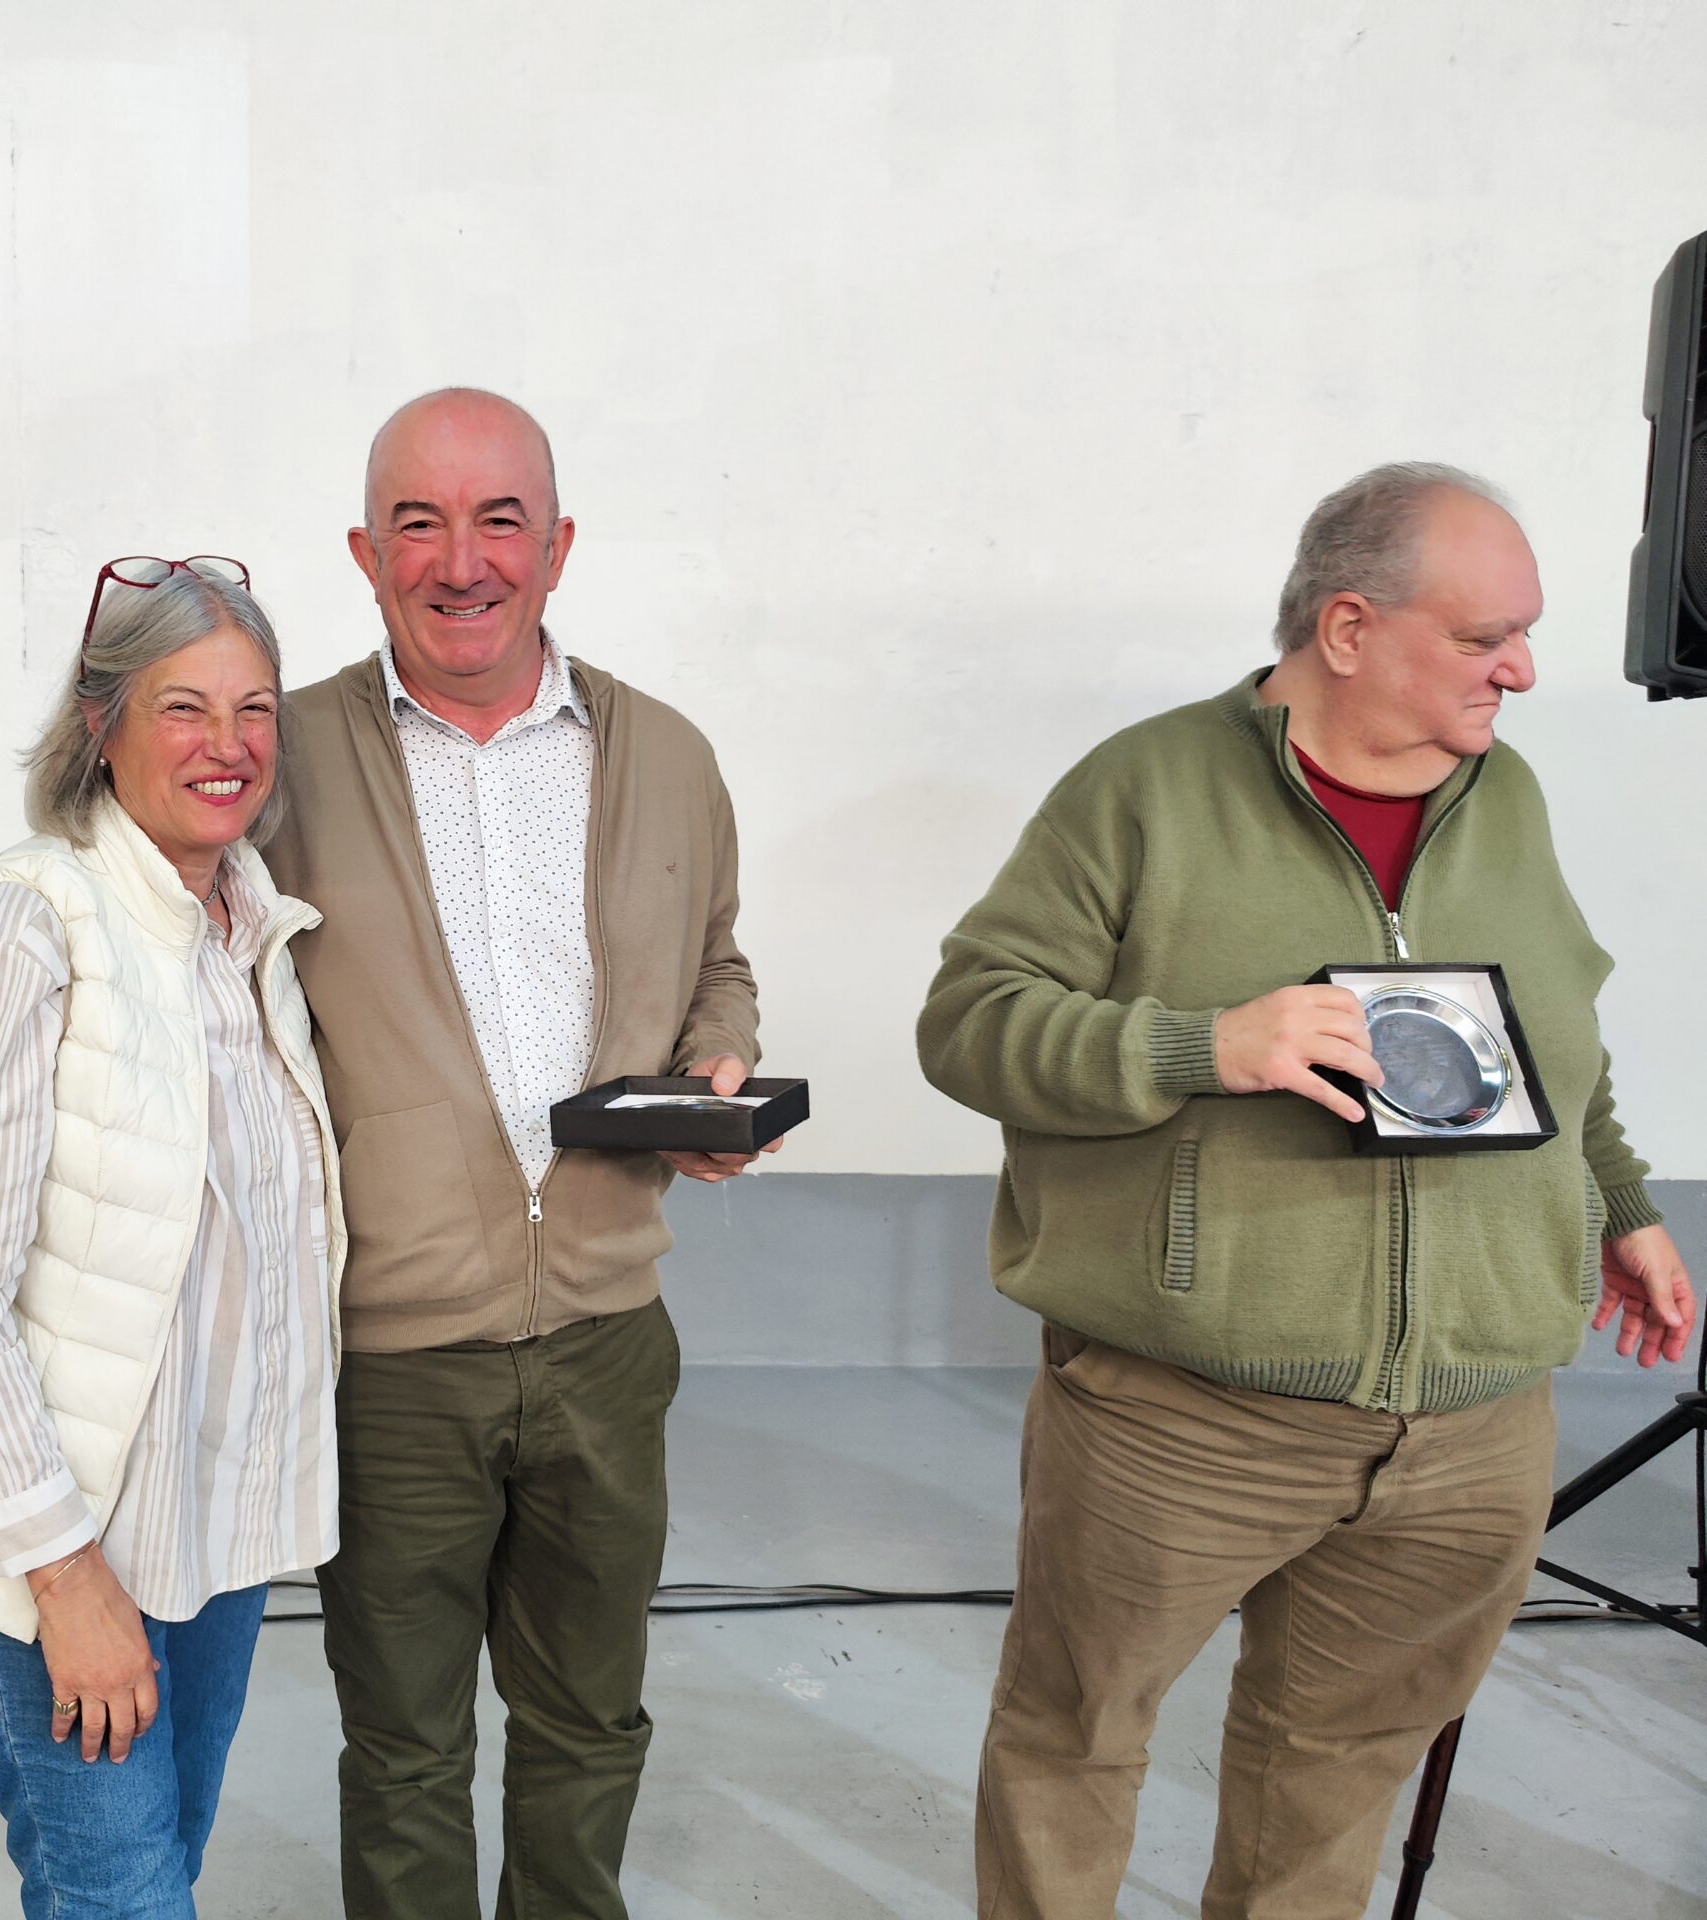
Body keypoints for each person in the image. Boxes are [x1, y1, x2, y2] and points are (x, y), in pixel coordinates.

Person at [915, 463, 1695, 1919]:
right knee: (1077, 1743)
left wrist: (1622, 1205)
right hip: (1185, 1419)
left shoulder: (1507, 798)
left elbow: (1555, 1046)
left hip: (1474, 1430)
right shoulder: (1143, 790)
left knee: (1336, 1777)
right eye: (1486, 639)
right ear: (1347, 628)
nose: (1523, 671)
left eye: (1525, 636)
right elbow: (969, 1024)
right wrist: (1201, 1046)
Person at [260, 388, 763, 1919]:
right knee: (405, 1747)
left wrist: (718, 1063)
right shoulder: (282, 760)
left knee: (589, 1724)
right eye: (418, 522)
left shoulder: (663, 752)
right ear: (366, 552)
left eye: (499, 521)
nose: (461, 560)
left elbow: (717, 960)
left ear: (557, 546)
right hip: (392, 1358)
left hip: (609, 1336)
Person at [0, 557, 344, 1919]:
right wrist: (65, 1579)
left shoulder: (248, 931)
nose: (227, 744)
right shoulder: (27, 928)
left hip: (204, 1528)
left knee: (136, 1872)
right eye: (182, 707)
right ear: (100, 724)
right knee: (124, 1897)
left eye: (254, 709)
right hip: (51, 1532)